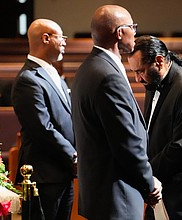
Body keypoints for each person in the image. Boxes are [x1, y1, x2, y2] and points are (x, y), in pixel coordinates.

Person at [71, 5, 162, 220]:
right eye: (132, 27)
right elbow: (125, 140)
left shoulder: (88, 68)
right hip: (116, 195)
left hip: (100, 192)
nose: (135, 32)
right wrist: (149, 183)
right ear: (120, 33)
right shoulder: (106, 76)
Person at [11, 18, 77, 220]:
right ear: (46, 38)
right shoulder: (28, 79)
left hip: (62, 171)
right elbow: (42, 128)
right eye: (61, 37)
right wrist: (73, 156)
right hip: (44, 174)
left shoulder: (54, 73)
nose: (65, 41)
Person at [128, 35, 182, 219]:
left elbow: (179, 146)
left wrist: (147, 173)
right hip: (158, 186)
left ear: (159, 61)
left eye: (140, 71)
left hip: (176, 192)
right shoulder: (154, 81)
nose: (137, 79)